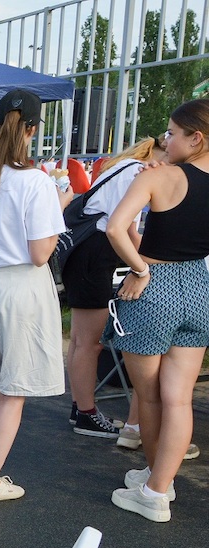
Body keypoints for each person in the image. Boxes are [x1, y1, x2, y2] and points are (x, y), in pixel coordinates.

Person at [0, 89, 70, 503]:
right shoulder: (36, 182)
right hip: (22, 287)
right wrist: (61, 206)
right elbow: (41, 252)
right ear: (33, 130)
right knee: (14, 390)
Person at [102, 98, 209, 523]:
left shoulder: (160, 177)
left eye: (171, 133)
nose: (165, 139)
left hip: (153, 288)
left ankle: (153, 489)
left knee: (147, 395)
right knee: (179, 399)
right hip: (198, 287)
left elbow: (114, 227)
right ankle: (159, 483)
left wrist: (140, 268)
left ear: (195, 137)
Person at [63, 136, 166, 439]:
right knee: (89, 343)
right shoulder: (138, 172)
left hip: (84, 252)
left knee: (80, 340)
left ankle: (80, 406)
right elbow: (127, 229)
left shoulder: (122, 166)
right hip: (95, 252)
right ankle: (86, 414)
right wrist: (147, 265)